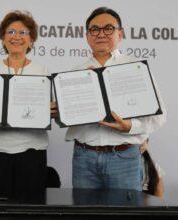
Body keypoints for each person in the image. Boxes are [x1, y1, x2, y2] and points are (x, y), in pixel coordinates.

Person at [66, 7, 166, 191]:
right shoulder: (75, 73)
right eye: (94, 29)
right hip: (84, 158)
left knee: (125, 214)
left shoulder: (136, 69)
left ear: (120, 34)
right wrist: (61, 111)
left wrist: (130, 127)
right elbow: (66, 119)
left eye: (108, 28)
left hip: (124, 157)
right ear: (87, 36)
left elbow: (159, 117)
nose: (101, 34)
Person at [0, 10, 51, 195]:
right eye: (11, 32)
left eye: (23, 32)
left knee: (30, 208)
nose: (16, 37)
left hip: (31, 150)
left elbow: (47, 110)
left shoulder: (42, 70)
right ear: (3, 38)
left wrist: (51, 110)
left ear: (31, 40)